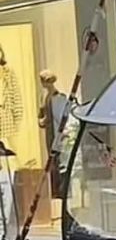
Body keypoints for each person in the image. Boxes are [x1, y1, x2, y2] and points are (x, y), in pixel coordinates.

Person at [38, 70, 69, 198]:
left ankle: (59, 191)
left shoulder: (58, 97)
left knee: (57, 160)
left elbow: (60, 117)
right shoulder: (45, 97)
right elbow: (43, 117)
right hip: (50, 133)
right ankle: (55, 190)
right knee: (52, 160)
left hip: (56, 133)